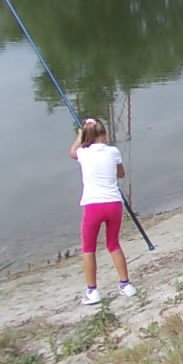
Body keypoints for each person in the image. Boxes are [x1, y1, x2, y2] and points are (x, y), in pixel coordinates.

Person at [69, 118, 137, 305]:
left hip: (93, 206)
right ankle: (126, 284)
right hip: (114, 204)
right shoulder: (113, 151)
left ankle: (92, 291)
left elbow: (72, 152)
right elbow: (121, 174)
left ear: (87, 136)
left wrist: (79, 137)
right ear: (105, 134)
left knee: (88, 248)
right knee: (113, 244)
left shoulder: (83, 152)